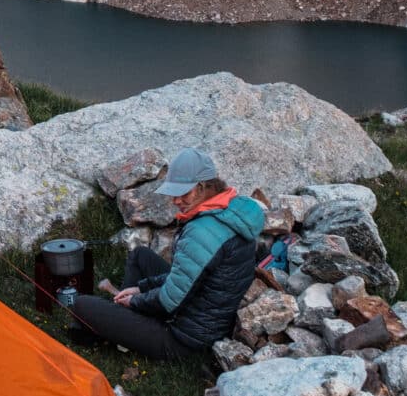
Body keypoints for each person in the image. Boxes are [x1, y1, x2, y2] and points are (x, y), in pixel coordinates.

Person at [68, 146, 264, 361]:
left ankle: (114, 326)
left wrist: (135, 301)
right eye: (174, 193)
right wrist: (141, 287)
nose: (176, 201)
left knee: (81, 304)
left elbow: (169, 302)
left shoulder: (203, 232)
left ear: (201, 187)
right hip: (204, 314)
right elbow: (188, 277)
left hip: (185, 339)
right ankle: (120, 322)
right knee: (140, 255)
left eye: (183, 193)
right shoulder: (229, 210)